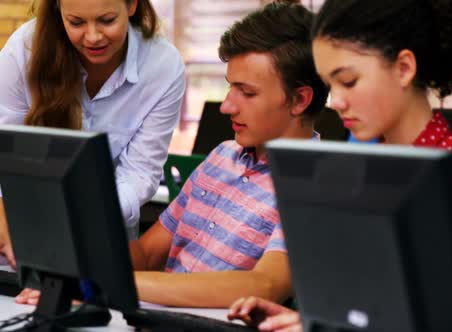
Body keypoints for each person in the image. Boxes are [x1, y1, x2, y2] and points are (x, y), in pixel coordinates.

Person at [229, 0, 452, 331]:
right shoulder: (361, 168)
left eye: (349, 81)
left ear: (403, 68)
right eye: (331, 84)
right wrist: (308, 322)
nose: (336, 101)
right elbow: (372, 312)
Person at [15, 1, 329, 308]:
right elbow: (148, 254)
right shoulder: (222, 157)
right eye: (230, 88)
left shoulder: (314, 186)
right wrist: (71, 273)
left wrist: (107, 284)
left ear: (300, 100)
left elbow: (263, 286)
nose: (226, 106)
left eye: (247, 93)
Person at [0, 0, 186, 266]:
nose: (93, 36)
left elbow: (140, 173)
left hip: (102, 236)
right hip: (14, 233)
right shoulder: (24, 51)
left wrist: (80, 213)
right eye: (76, 22)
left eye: (107, 20)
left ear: (132, 5)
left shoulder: (163, 67)